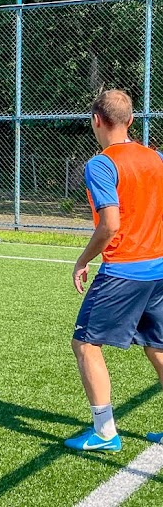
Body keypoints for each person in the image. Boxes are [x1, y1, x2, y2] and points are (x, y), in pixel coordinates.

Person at [64, 89, 163, 453]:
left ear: (96, 120)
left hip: (125, 270)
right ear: (131, 120)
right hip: (159, 269)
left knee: (85, 344)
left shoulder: (102, 164)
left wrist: (82, 259)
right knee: (158, 347)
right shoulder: (156, 158)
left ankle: (105, 432)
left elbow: (109, 224)